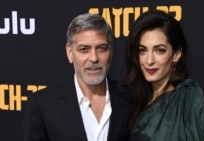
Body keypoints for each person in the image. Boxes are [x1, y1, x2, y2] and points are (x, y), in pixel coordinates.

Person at [23, 13, 131, 141]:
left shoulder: (130, 98)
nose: (94, 58)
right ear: (70, 53)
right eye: (84, 49)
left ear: (111, 52)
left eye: (102, 48)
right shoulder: (43, 105)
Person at [121, 10, 204, 141]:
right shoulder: (131, 100)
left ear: (176, 54)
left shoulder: (190, 99)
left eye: (160, 50)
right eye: (142, 50)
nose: (149, 60)